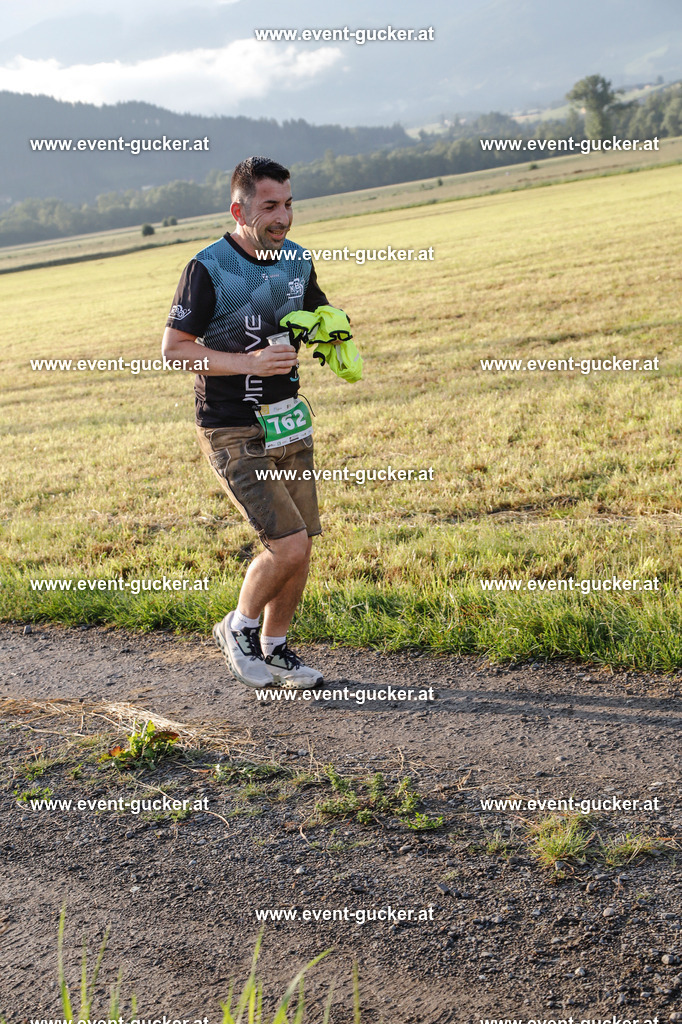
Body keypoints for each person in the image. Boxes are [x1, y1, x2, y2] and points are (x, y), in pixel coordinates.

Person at [161, 156, 339, 691]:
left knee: (302, 543)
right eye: (270, 206)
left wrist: (334, 334)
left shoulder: (297, 260)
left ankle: (275, 649)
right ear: (240, 211)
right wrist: (249, 363)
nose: (283, 217)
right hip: (233, 427)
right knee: (288, 544)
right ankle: (237, 628)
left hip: (288, 421)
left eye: (288, 204)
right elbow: (175, 350)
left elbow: (316, 314)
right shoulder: (208, 268)